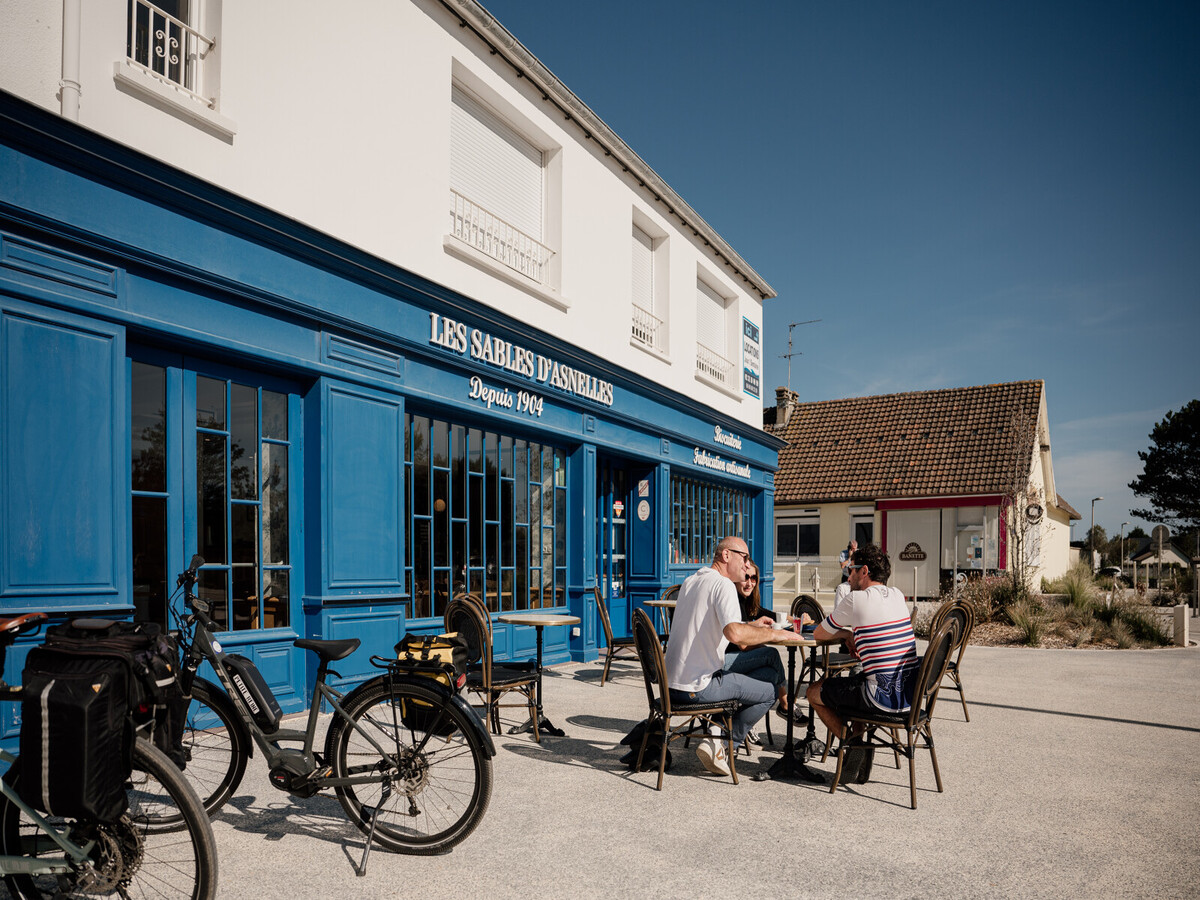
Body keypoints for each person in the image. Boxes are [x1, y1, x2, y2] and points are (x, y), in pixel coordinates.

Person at [665, 537, 805, 776]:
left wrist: (759, 629)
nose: (747, 564)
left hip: (670, 686)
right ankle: (723, 744)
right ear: (726, 555)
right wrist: (775, 633)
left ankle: (717, 734)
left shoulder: (690, 581)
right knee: (770, 690)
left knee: (770, 671)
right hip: (697, 687)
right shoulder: (724, 585)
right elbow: (735, 635)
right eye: (745, 557)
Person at [806, 543, 918, 775]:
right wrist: (851, 633)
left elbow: (819, 634)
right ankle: (859, 741)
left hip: (879, 699)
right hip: (909, 698)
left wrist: (847, 633)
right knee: (858, 677)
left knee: (813, 692)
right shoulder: (898, 595)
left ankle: (853, 742)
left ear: (864, 571)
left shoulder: (856, 599)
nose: (848, 573)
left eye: (851, 568)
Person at [723, 558, 798, 744]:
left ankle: (741, 725)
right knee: (770, 654)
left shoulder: (748, 602)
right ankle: (786, 703)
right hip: (722, 660)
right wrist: (763, 633)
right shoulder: (732, 599)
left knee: (771, 676)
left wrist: (796, 618)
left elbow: (771, 615)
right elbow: (742, 643)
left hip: (735, 659)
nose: (750, 582)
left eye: (754, 578)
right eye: (746, 577)